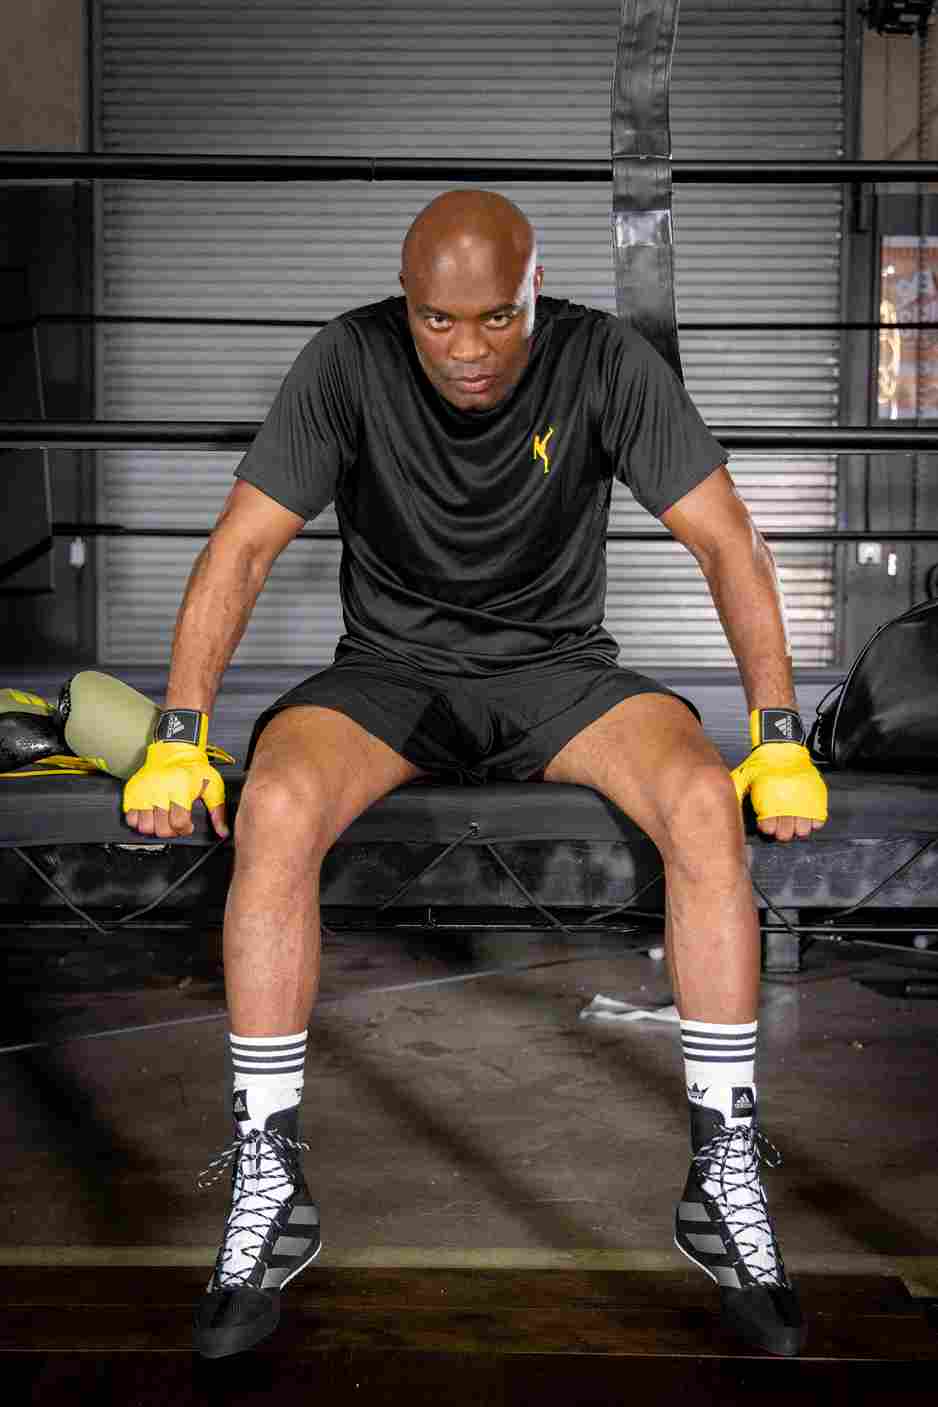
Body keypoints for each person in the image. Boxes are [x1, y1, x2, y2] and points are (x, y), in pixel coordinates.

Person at [123, 189, 828, 1360]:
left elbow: (726, 537)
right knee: (277, 802)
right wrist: (178, 731)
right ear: (406, 304)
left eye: (494, 319)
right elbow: (240, 546)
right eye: (436, 321)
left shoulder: (603, 359)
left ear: (535, 291)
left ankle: (722, 1175)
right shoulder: (347, 358)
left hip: (556, 674)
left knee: (705, 798)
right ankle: (267, 1179)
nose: (463, 350)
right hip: (389, 678)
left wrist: (778, 731)